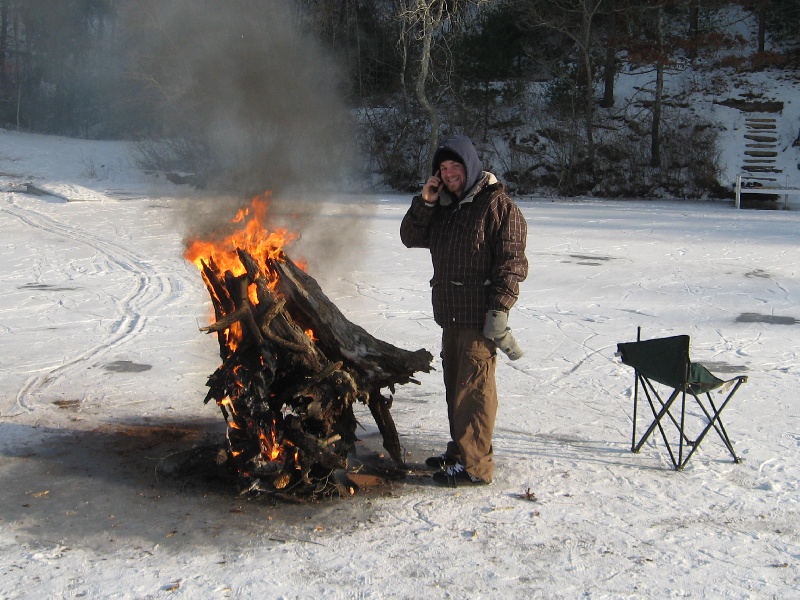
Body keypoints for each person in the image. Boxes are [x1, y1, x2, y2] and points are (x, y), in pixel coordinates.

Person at [400, 134, 528, 487]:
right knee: (457, 388)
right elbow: (410, 236)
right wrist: (425, 201)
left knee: (474, 392)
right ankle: (460, 451)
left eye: (455, 165)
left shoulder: (499, 208)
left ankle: (475, 466)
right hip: (450, 316)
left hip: (478, 318)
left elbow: (512, 264)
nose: (450, 172)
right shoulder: (444, 207)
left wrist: (499, 310)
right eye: (443, 168)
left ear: (470, 166)